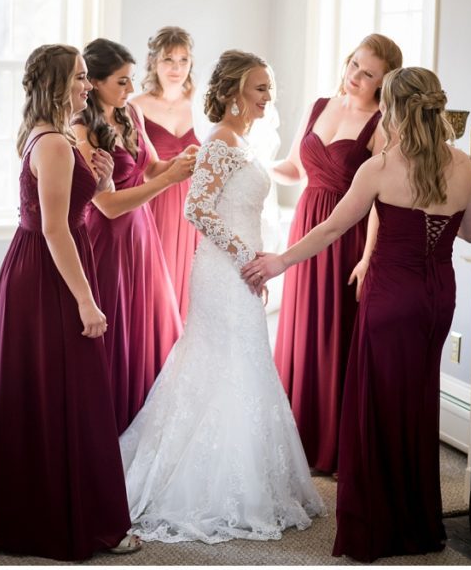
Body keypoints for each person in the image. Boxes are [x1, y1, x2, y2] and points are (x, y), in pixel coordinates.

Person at [243, 66, 471, 562]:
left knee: (376, 407)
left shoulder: (381, 168)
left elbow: (330, 229)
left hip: (391, 297)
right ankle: (418, 522)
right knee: (417, 405)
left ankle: (377, 529)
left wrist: (279, 261)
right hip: (438, 299)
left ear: (393, 109)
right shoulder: (463, 163)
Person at [120, 50, 325, 543]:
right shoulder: (218, 143)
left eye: (268, 88)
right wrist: (245, 258)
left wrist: (255, 259)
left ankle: (251, 478)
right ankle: (202, 488)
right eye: (260, 88)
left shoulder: (245, 142)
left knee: (245, 363)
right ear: (235, 92)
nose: (268, 97)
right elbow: (198, 210)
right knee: (224, 361)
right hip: (223, 271)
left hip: (241, 269)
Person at [0, 44, 141, 560]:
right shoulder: (54, 142)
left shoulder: (49, 136)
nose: (86, 84)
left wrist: (99, 180)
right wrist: (86, 302)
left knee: (59, 393)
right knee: (71, 392)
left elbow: (72, 209)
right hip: (49, 274)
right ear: (58, 83)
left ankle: (41, 515)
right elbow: (56, 229)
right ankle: (66, 521)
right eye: (79, 77)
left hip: (44, 266)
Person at [271, 33, 402, 475]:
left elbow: (382, 200)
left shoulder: (383, 122)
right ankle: (296, 437)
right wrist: (248, 162)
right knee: (303, 327)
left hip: (347, 234)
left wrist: (368, 257)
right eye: (354, 65)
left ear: (383, 84)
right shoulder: (319, 105)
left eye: (368, 75)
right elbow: (293, 170)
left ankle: (331, 443)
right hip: (306, 224)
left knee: (335, 331)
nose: (356, 77)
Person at [74, 38, 193, 433]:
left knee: (152, 331)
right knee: (118, 336)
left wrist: (183, 162)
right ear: (95, 83)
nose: (130, 89)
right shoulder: (81, 131)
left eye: (129, 81)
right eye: (121, 82)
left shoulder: (131, 115)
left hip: (142, 235)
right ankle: (111, 431)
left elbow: (153, 168)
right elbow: (107, 205)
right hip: (107, 239)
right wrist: (169, 180)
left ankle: (149, 429)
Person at [130, 26, 201, 321]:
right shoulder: (136, 106)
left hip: (195, 207)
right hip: (155, 200)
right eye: (168, 60)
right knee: (155, 290)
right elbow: (144, 169)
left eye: (183, 60)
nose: (176, 68)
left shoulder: (201, 104)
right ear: (152, 62)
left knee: (191, 286)